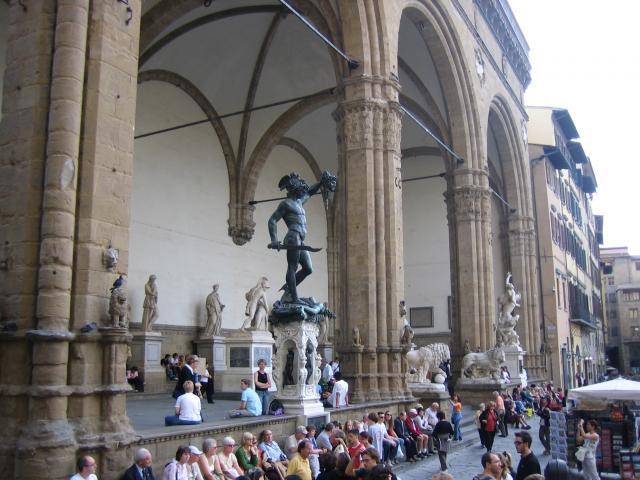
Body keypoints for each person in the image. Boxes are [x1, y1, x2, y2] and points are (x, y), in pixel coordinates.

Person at [268, 171, 335, 303]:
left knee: (308, 268)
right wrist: (274, 240)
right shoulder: (286, 204)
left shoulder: (299, 201)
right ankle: (294, 298)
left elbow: (310, 192)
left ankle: (288, 289)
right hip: (293, 236)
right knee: (292, 267)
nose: (303, 190)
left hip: (300, 238)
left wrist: (321, 182)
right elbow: (272, 220)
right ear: (293, 189)